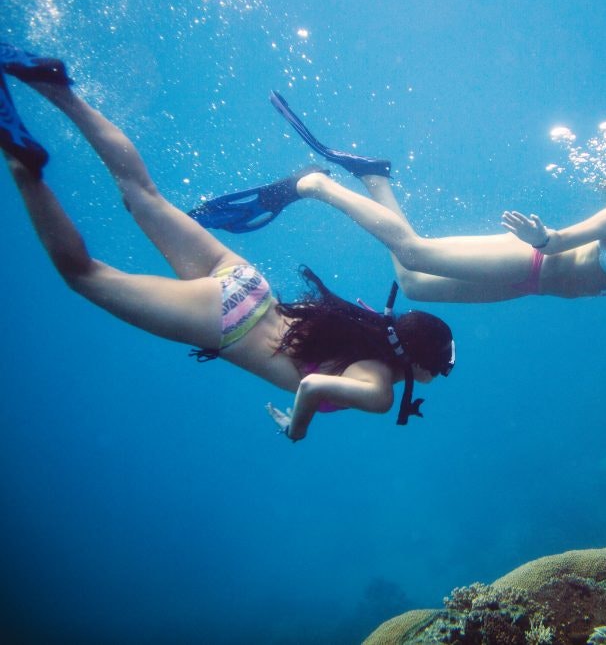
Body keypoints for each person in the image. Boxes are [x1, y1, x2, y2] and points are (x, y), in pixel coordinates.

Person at [191, 91, 606, 391]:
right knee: (417, 255)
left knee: (415, 281)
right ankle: (319, 185)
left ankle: (372, 175)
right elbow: (574, 235)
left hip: (533, 287)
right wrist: (548, 234)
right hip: (532, 258)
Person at [0, 44, 455, 442]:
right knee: (83, 274)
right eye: (441, 369)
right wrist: (295, 429)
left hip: (249, 284)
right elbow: (311, 388)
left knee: (143, 193)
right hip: (229, 320)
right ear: (422, 365)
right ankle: (22, 164)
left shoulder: (369, 334)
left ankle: (59, 90)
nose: (436, 377)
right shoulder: (379, 392)